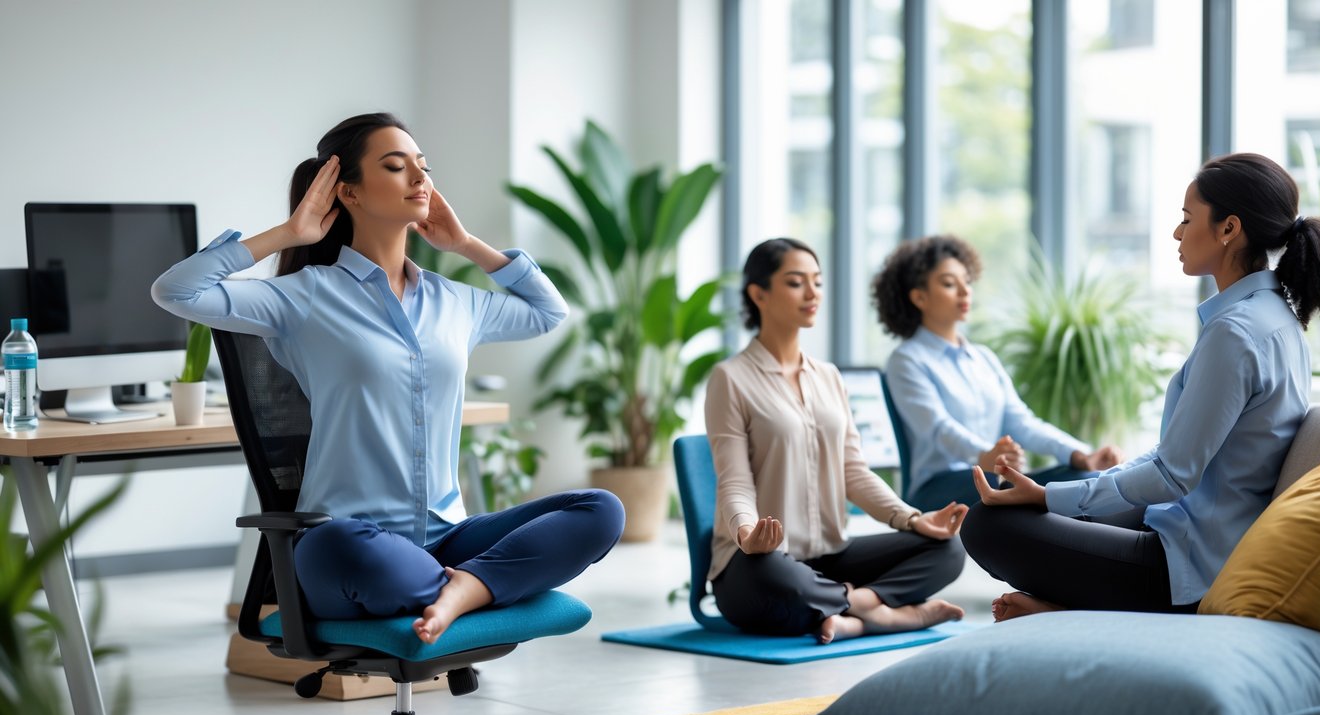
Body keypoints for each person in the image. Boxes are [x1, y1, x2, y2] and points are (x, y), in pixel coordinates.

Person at [153, 113, 624, 644]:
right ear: (348, 191)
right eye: (397, 167)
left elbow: (548, 311)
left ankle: (463, 589)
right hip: (351, 541)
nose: (420, 179)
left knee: (600, 510)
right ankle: (483, 584)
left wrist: (466, 244)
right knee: (341, 546)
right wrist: (290, 233)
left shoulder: (454, 301)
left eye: (423, 166)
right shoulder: (303, 295)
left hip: (446, 540)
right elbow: (176, 291)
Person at [961, 152, 1320, 621]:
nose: (1177, 233)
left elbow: (1171, 475)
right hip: (1188, 528)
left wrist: (1049, 496)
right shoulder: (1278, 319)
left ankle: (1071, 611)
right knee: (1037, 508)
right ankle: (1069, 607)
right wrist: (1059, 492)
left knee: (989, 525)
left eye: (1187, 218)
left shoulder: (1236, 332)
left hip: (1190, 568)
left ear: (1228, 228)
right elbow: (1172, 458)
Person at [704, 237, 969, 644]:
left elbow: (854, 473)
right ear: (759, 294)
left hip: (830, 557)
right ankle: (890, 614)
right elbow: (734, 481)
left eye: (818, 282)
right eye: (796, 282)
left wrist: (912, 519)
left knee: (946, 549)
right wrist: (747, 533)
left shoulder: (829, 377)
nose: (813, 294)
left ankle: (856, 612)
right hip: (762, 563)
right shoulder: (731, 378)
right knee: (772, 573)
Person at [872, 234, 1124, 512]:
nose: (965, 291)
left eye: (967, 282)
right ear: (919, 297)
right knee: (1005, 485)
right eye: (949, 284)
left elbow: (1022, 423)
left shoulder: (984, 358)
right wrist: (984, 456)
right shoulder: (906, 360)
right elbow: (938, 429)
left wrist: (1080, 453)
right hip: (938, 488)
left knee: (1084, 478)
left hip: (994, 475)